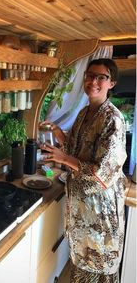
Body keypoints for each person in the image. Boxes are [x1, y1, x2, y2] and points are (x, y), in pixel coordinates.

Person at [40, 58, 127, 283]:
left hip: (100, 210)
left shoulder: (113, 119)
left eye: (101, 77)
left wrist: (63, 157)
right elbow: (77, 149)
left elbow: (103, 172)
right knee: (81, 262)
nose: (93, 81)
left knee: (99, 265)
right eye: (89, 75)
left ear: (112, 83)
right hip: (81, 208)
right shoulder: (83, 113)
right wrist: (59, 134)